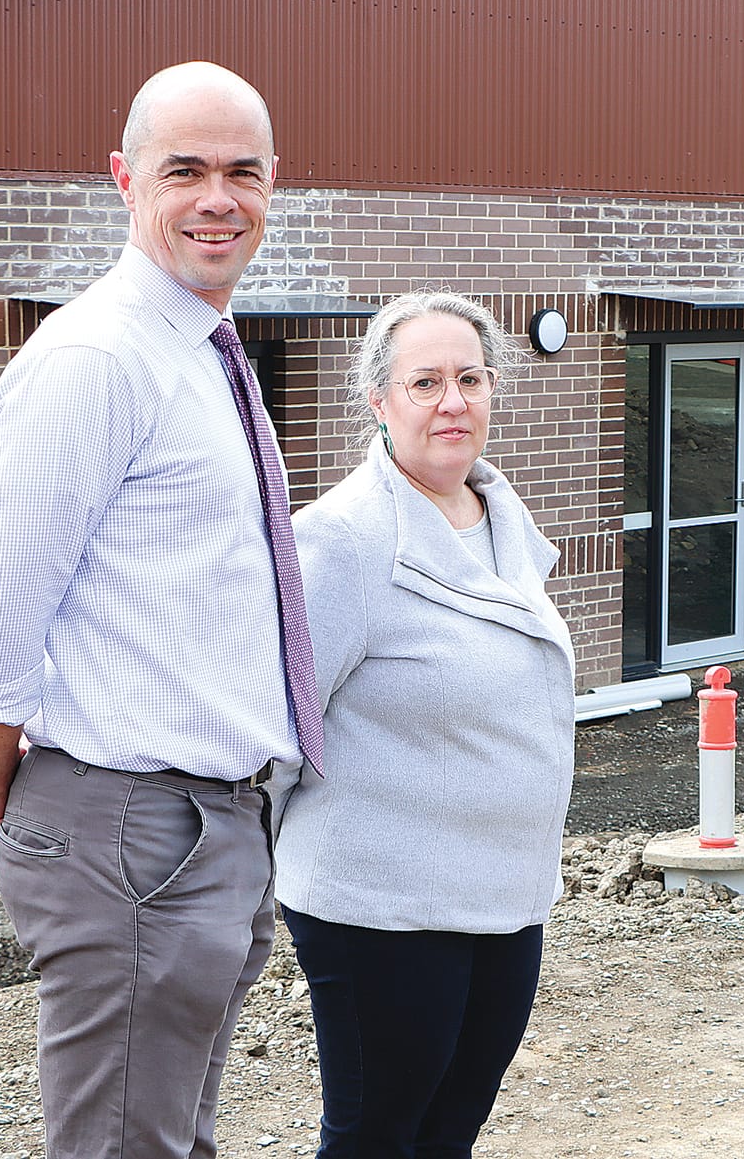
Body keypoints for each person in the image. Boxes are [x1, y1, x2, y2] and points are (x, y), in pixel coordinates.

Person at [0, 61, 322, 1159]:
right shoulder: (96, 359)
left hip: (209, 826)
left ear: (275, 182)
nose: (217, 197)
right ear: (122, 179)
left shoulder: (197, 351)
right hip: (137, 830)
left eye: (241, 171)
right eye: (183, 169)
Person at [270, 291, 576, 1158]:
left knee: (449, 1132)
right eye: (427, 381)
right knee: (376, 1136)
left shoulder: (503, 520)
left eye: (471, 378)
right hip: (383, 905)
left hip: (503, 897)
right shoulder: (342, 542)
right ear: (379, 400)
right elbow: (282, 729)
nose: (454, 401)